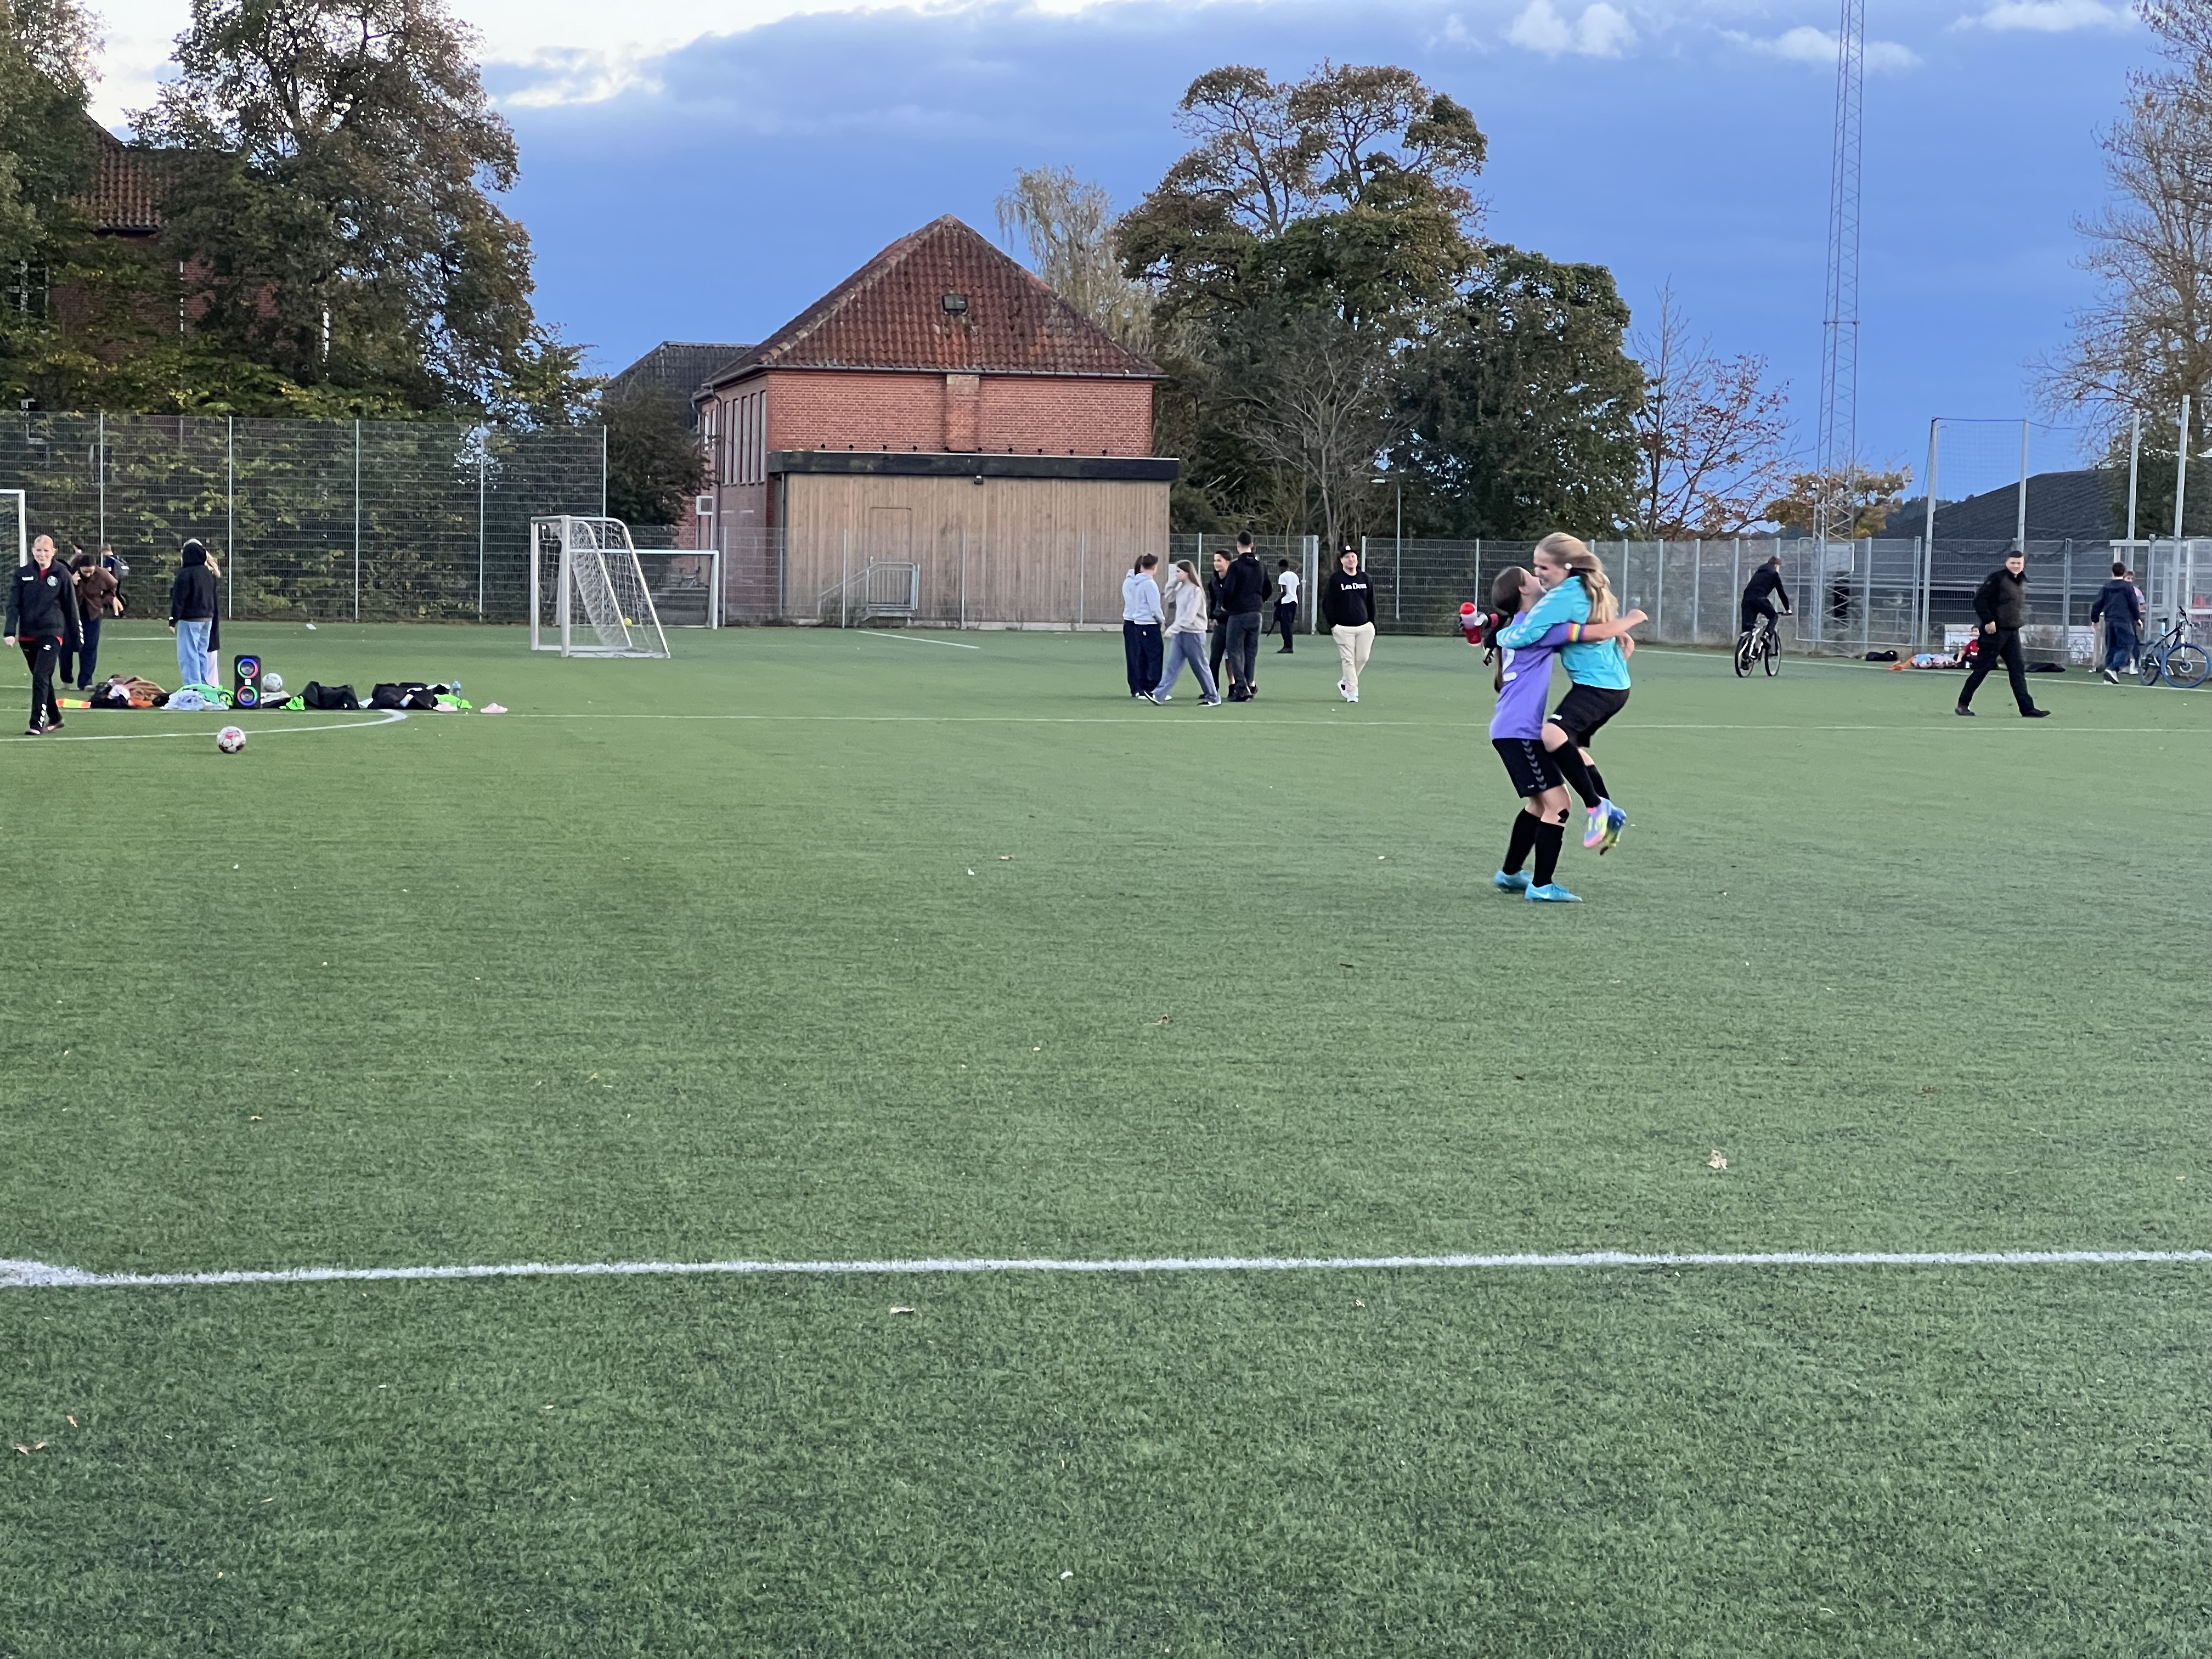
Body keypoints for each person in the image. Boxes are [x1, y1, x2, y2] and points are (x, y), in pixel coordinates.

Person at [1481, 565, 1646, 902]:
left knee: (1540, 801)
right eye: (1531, 575)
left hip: (1512, 729)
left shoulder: (1521, 626)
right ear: (1523, 589)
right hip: (1519, 732)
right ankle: (1542, 885)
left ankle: (1510, 874)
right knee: (1559, 805)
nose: (1538, 577)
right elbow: (1593, 634)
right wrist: (1629, 622)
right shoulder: (1539, 629)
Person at [1498, 534, 1634, 853]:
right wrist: (1619, 630)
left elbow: (1528, 633)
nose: (1538, 573)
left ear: (1567, 566)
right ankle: (1609, 811)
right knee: (1568, 747)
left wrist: (1500, 636)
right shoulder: (1584, 588)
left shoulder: (1564, 595)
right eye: (1535, 567)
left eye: (1543, 567)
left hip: (1599, 687)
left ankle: (1598, 807)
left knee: (1552, 735)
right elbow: (1591, 628)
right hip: (1610, 686)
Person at [1956, 546, 2049, 718]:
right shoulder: (1997, 579)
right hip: (1995, 633)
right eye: (2013, 563)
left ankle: (2027, 708)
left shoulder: (2021, 580)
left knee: (2017, 669)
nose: (2016, 566)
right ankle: (1963, 704)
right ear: (2007, 563)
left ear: (2024, 564)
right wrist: (1989, 621)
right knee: (1983, 668)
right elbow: (1979, 600)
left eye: (2019, 563)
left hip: (2012, 633)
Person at [5, 533, 82, 735]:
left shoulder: (61, 574)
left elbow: (71, 607)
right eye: (39, 550)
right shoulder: (23, 574)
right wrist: (10, 631)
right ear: (33, 551)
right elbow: (13, 605)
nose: (42, 554)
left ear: (53, 552)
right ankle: (55, 718)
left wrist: (77, 638)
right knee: (42, 679)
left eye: (46, 550)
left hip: (52, 633)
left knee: (40, 676)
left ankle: (36, 724)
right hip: (28, 635)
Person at [1150, 560, 1221, 706]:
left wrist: (1173, 629)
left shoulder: (1196, 591)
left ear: (1187, 573)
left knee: (1200, 667)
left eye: (1179, 572)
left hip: (1193, 634)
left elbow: (1190, 616)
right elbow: (1169, 598)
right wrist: (1173, 582)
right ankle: (1158, 695)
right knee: (1172, 666)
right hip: (1181, 634)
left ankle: (1214, 697)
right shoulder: (1181, 588)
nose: (1176, 574)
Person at [1322, 543, 1376, 703]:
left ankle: (1345, 682)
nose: (1351, 559)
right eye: (1347, 557)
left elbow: (1371, 602)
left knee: (1363, 658)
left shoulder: (1365, 578)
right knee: (1348, 660)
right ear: (1342, 561)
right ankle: (1352, 692)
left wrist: (1372, 623)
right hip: (1343, 628)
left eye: (1353, 556)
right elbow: (1328, 603)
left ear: (1357, 559)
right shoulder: (1336, 579)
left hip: (1365, 627)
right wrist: (1333, 624)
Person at [1218, 532, 1268, 700]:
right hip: (1256, 612)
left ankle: (1241, 686)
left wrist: (1225, 605)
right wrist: (1259, 601)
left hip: (1239, 613)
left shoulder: (1236, 566)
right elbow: (1268, 588)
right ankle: (1250, 684)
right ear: (1252, 545)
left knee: (1234, 650)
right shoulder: (1260, 566)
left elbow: (1229, 589)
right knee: (1250, 651)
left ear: (1238, 545)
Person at [168, 539, 218, 689]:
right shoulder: (208, 573)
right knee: (202, 652)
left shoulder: (186, 574)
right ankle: (203, 683)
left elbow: (179, 598)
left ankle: (192, 686)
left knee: (188, 653)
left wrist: (173, 619)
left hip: (190, 618)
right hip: (207, 617)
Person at [66, 550, 120, 691]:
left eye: (91, 571)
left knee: (90, 648)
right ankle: (66, 677)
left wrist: (107, 600)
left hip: (93, 614)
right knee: (66, 647)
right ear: (79, 568)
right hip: (72, 614)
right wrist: (72, 583)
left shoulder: (103, 575)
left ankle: (85, 682)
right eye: (85, 572)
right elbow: (63, 592)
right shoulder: (69, 573)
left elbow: (113, 587)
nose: (88, 575)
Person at [1121, 552, 1165, 699]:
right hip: (1136, 621)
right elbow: (1148, 606)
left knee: (1140, 656)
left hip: (1137, 621)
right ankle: (1142, 688)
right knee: (1139, 656)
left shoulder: (1137, 582)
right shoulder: (1137, 583)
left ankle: (1140, 687)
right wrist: (1160, 620)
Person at [2090, 559, 2141, 685]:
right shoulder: (2127, 588)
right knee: (2127, 645)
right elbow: (2133, 604)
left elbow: (2098, 603)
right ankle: (2113, 668)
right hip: (2124, 620)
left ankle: (2108, 677)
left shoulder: (2106, 587)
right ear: (2124, 573)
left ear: (2112, 572)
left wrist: (2095, 619)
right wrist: (2137, 618)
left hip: (2110, 620)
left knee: (2111, 647)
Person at [1740, 554, 1792, 644]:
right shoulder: (1774, 574)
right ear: (1776, 566)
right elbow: (1781, 593)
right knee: (1774, 616)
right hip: (1760, 599)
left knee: (1748, 628)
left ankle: (1744, 649)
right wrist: (1787, 609)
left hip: (1747, 600)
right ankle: (1767, 635)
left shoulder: (1758, 573)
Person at [1205, 549, 1232, 696]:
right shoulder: (1214, 581)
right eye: (1215, 560)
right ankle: (1213, 689)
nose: (1216, 563)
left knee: (1232, 657)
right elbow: (1214, 601)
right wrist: (1212, 617)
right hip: (1220, 623)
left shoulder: (1234, 580)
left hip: (1233, 622)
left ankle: (1235, 686)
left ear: (1228, 562)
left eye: (1219, 560)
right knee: (1215, 657)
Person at [1273, 558, 1300, 653]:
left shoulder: (1283, 576)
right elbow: (1297, 590)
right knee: (1290, 624)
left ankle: (1288, 646)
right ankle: (1289, 645)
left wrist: (1277, 600)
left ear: (1281, 567)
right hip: (1294, 602)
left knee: (1285, 625)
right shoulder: (1295, 576)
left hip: (1286, 603)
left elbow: (1285, 592)